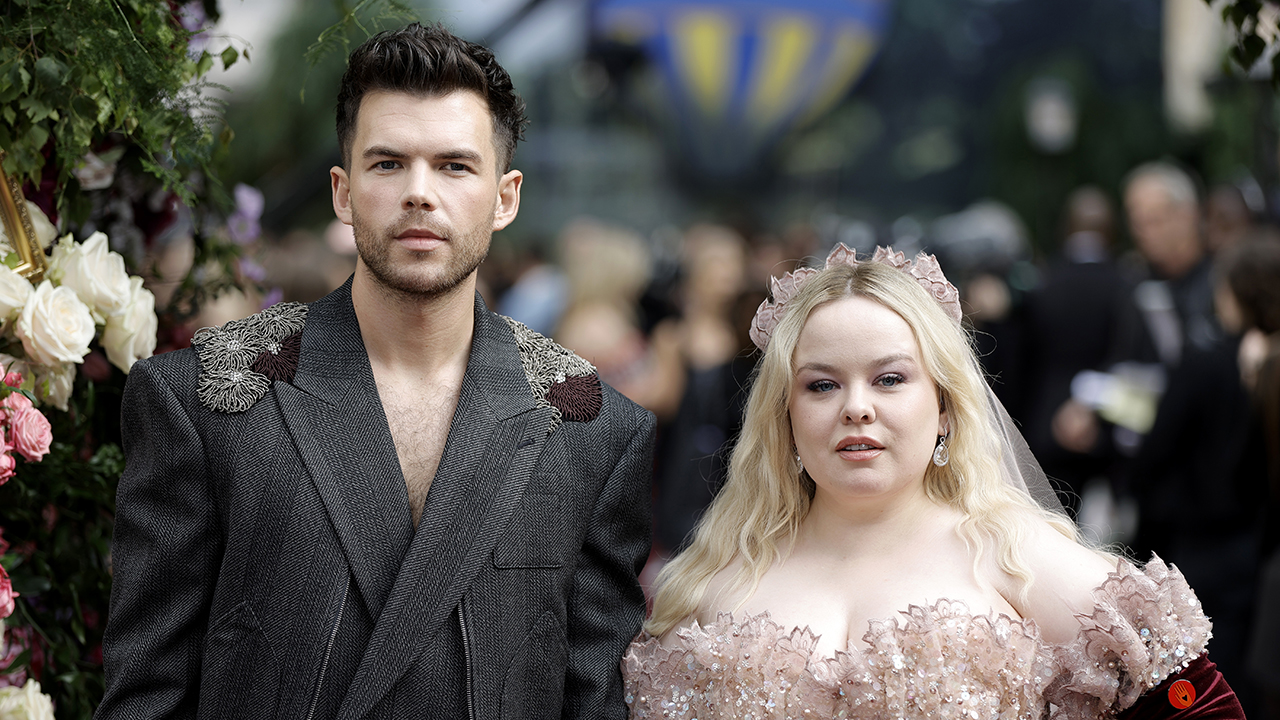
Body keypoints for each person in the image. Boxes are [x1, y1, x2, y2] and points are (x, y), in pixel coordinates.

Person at [97, 23, 655, 719]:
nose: (419, 192)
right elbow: (145, 698)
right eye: (388, 163)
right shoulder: (203, 401)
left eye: (455, 166)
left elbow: (592, 701)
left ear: (505, 197)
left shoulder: (593, 428)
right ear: (343, 190)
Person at [623, 244, 1243, 719]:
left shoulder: (1019, 560)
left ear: (945, 406)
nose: (857, 407)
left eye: (890, 379)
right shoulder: (713, 582)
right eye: (821, 384)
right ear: (783, 416)